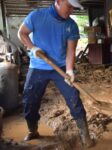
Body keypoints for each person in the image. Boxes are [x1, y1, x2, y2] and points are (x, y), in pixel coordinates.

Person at [17, 0, 94, 148]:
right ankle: (33, 130)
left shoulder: (71, 25)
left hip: (61, 67)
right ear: (58, 1)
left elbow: (71, 51)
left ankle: (85, 135)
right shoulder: (36, 16)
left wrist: (70, 70)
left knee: (74, 99)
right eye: (69, 6)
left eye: (74, 8)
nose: (71, 10)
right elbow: (22, 33)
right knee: (29, 101)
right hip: (38, 67)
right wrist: (33, 48)